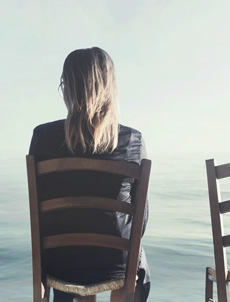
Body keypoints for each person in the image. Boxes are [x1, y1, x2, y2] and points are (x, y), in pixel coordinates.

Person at [29, 47, 150, 302]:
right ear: (110, 87)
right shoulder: (132, 140)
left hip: (59, 263)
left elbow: (40, 213)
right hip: (115, 263)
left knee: (69, 247)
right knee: (136, 257)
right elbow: (142, 218)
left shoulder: (42, 138)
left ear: (67, 88)